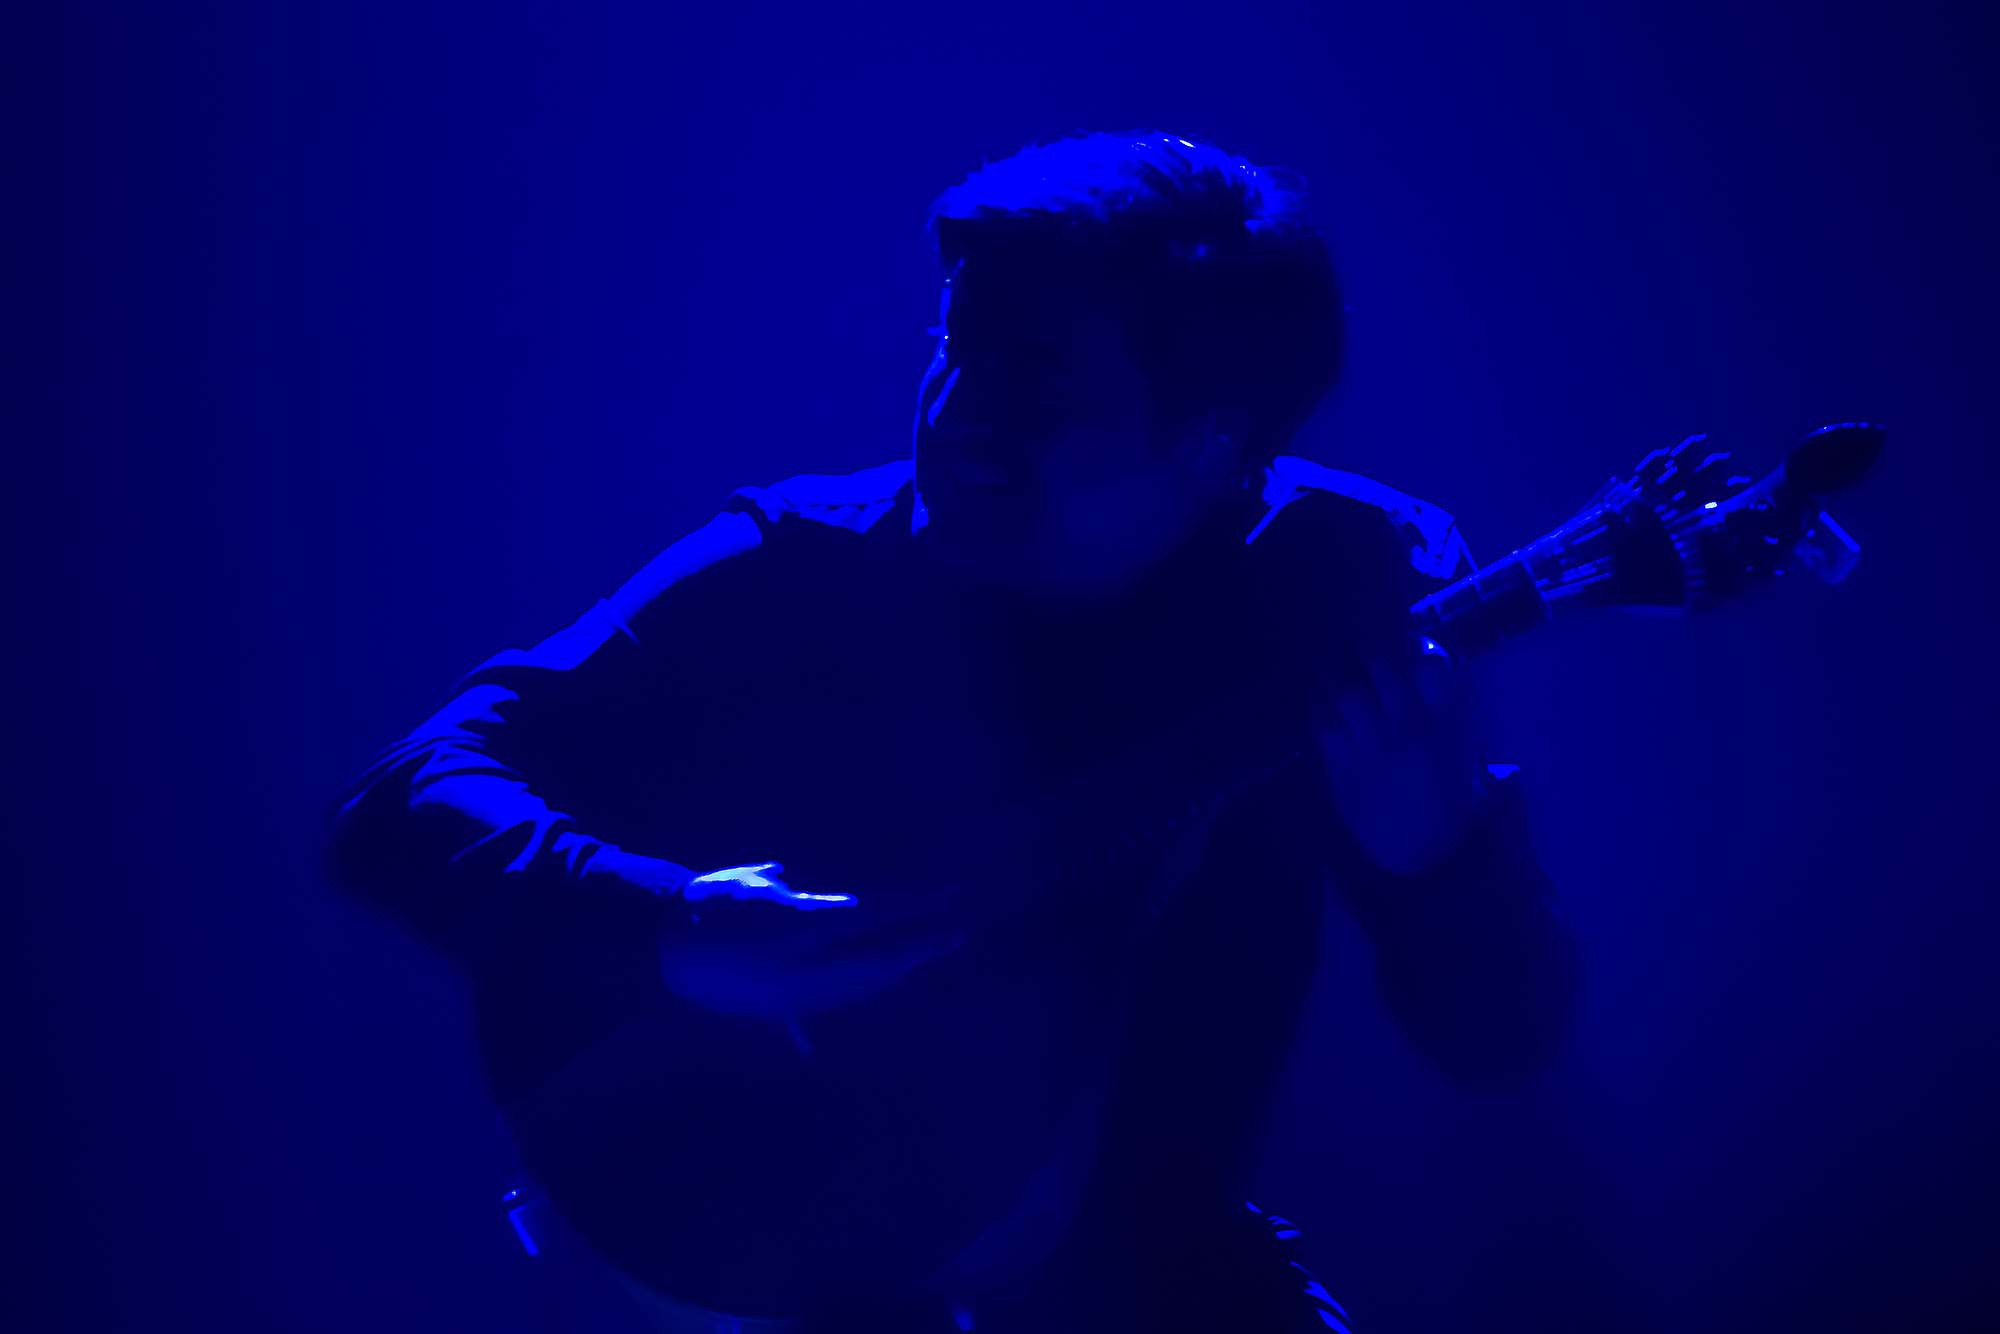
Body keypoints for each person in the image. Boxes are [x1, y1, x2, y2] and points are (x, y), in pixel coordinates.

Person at [325, 130, 1580, 1333]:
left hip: (1147, 1276)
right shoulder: (799, 557)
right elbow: (404, 792)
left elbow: (1500, 1039)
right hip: (745, 1267)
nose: (957, 412)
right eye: (954, 346)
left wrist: (1439, 854)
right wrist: (670, 927)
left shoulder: (1334, 583)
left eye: (1036, 382)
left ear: (1212, 436)